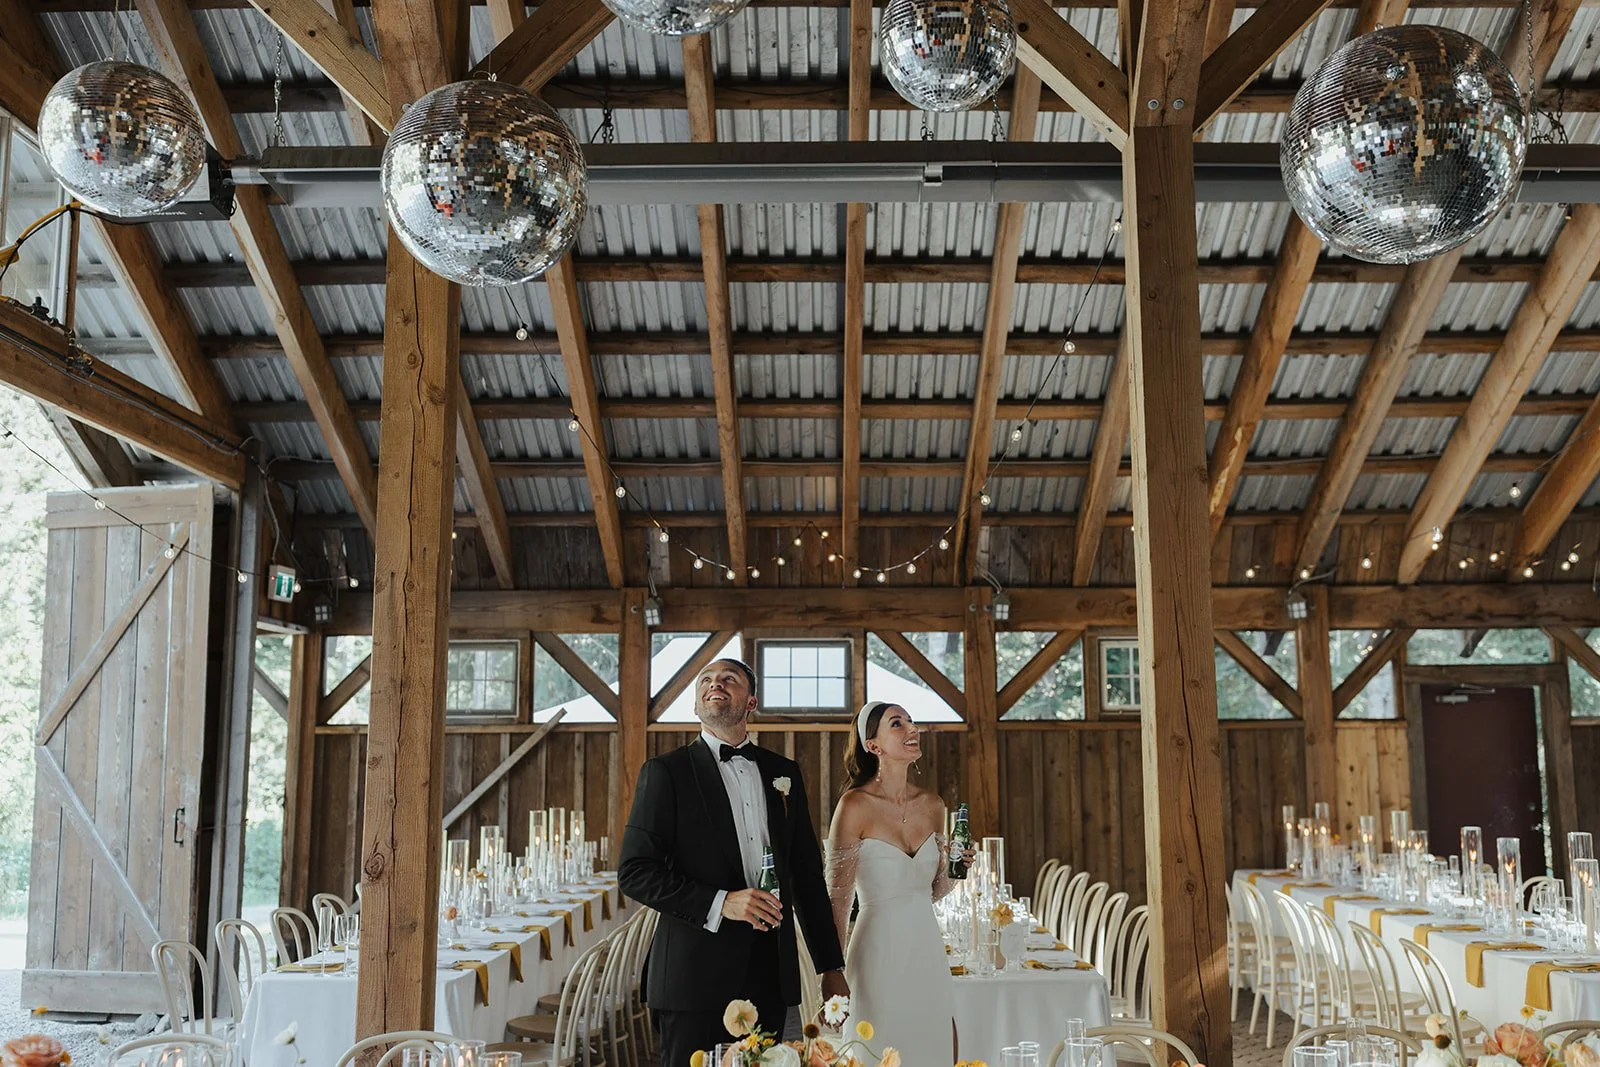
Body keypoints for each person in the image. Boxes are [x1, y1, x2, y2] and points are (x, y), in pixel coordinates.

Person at [619, 658, 849, 1067]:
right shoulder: (665, 773)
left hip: (769, 976)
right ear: (695, 705)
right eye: (706, 679)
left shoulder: (785, 775)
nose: (715, 684)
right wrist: (722, 902)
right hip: (692, 977)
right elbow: (636, 872)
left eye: (729, 678)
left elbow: (807, 878)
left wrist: (830, 966)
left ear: (751, 701)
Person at [826, 700, 968, 1066]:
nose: (911, 729)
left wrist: (955, 870)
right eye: (897, 724)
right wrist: (831, 971)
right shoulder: (854, 806)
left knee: (935, 1045)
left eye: (912, 722)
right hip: (877, 952)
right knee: (876, 1051)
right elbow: (838, 901)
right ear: (873, 745)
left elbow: (932, 891)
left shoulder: (933, 805)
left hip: (926, 948)